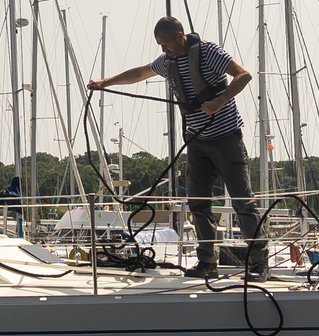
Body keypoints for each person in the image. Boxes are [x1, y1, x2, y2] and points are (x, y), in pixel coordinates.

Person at [92, 14, 264, 279]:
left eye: (165, 44)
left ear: (180, 36)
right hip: (197, 142)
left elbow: (244, 75)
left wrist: (220, 100)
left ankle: (258, 264)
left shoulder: (209, 52)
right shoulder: (167, 62)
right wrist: (105, 83)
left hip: (226, 138)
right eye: (160, 45)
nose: (163, 50)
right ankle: (207, 263)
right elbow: (139, 73)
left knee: (243, 202)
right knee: (198, 204)